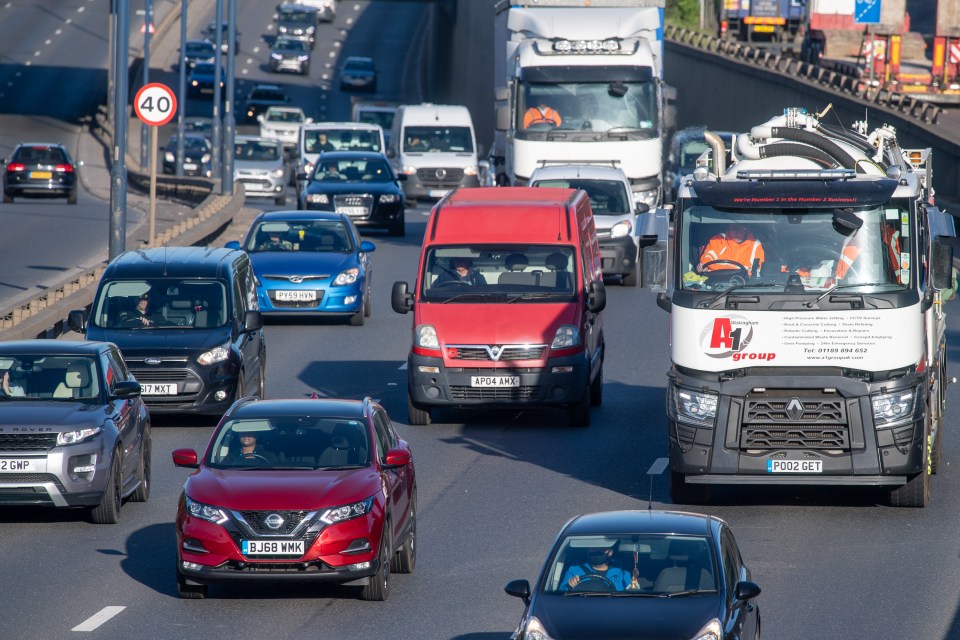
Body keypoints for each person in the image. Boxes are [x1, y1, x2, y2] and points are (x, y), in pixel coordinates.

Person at [560, 546, 644, 592]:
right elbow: (561, 597)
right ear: (588, 551)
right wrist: (569, 586)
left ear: (610, 552)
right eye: (593, 548)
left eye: (601, 549)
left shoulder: (622, 574)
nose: (597, 551)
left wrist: (634, 586)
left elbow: (632, 597)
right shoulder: (574, 570)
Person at [698, 223, 765, 276]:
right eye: (733, 228)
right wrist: (703, 265)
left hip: (743, 284)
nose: (734, 232)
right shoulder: (718, 239)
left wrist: (715, 267)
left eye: (738, 228)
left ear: (745, 229)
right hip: (715, 280)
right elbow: (708, 257)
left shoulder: (756, 245)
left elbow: (756, 271)